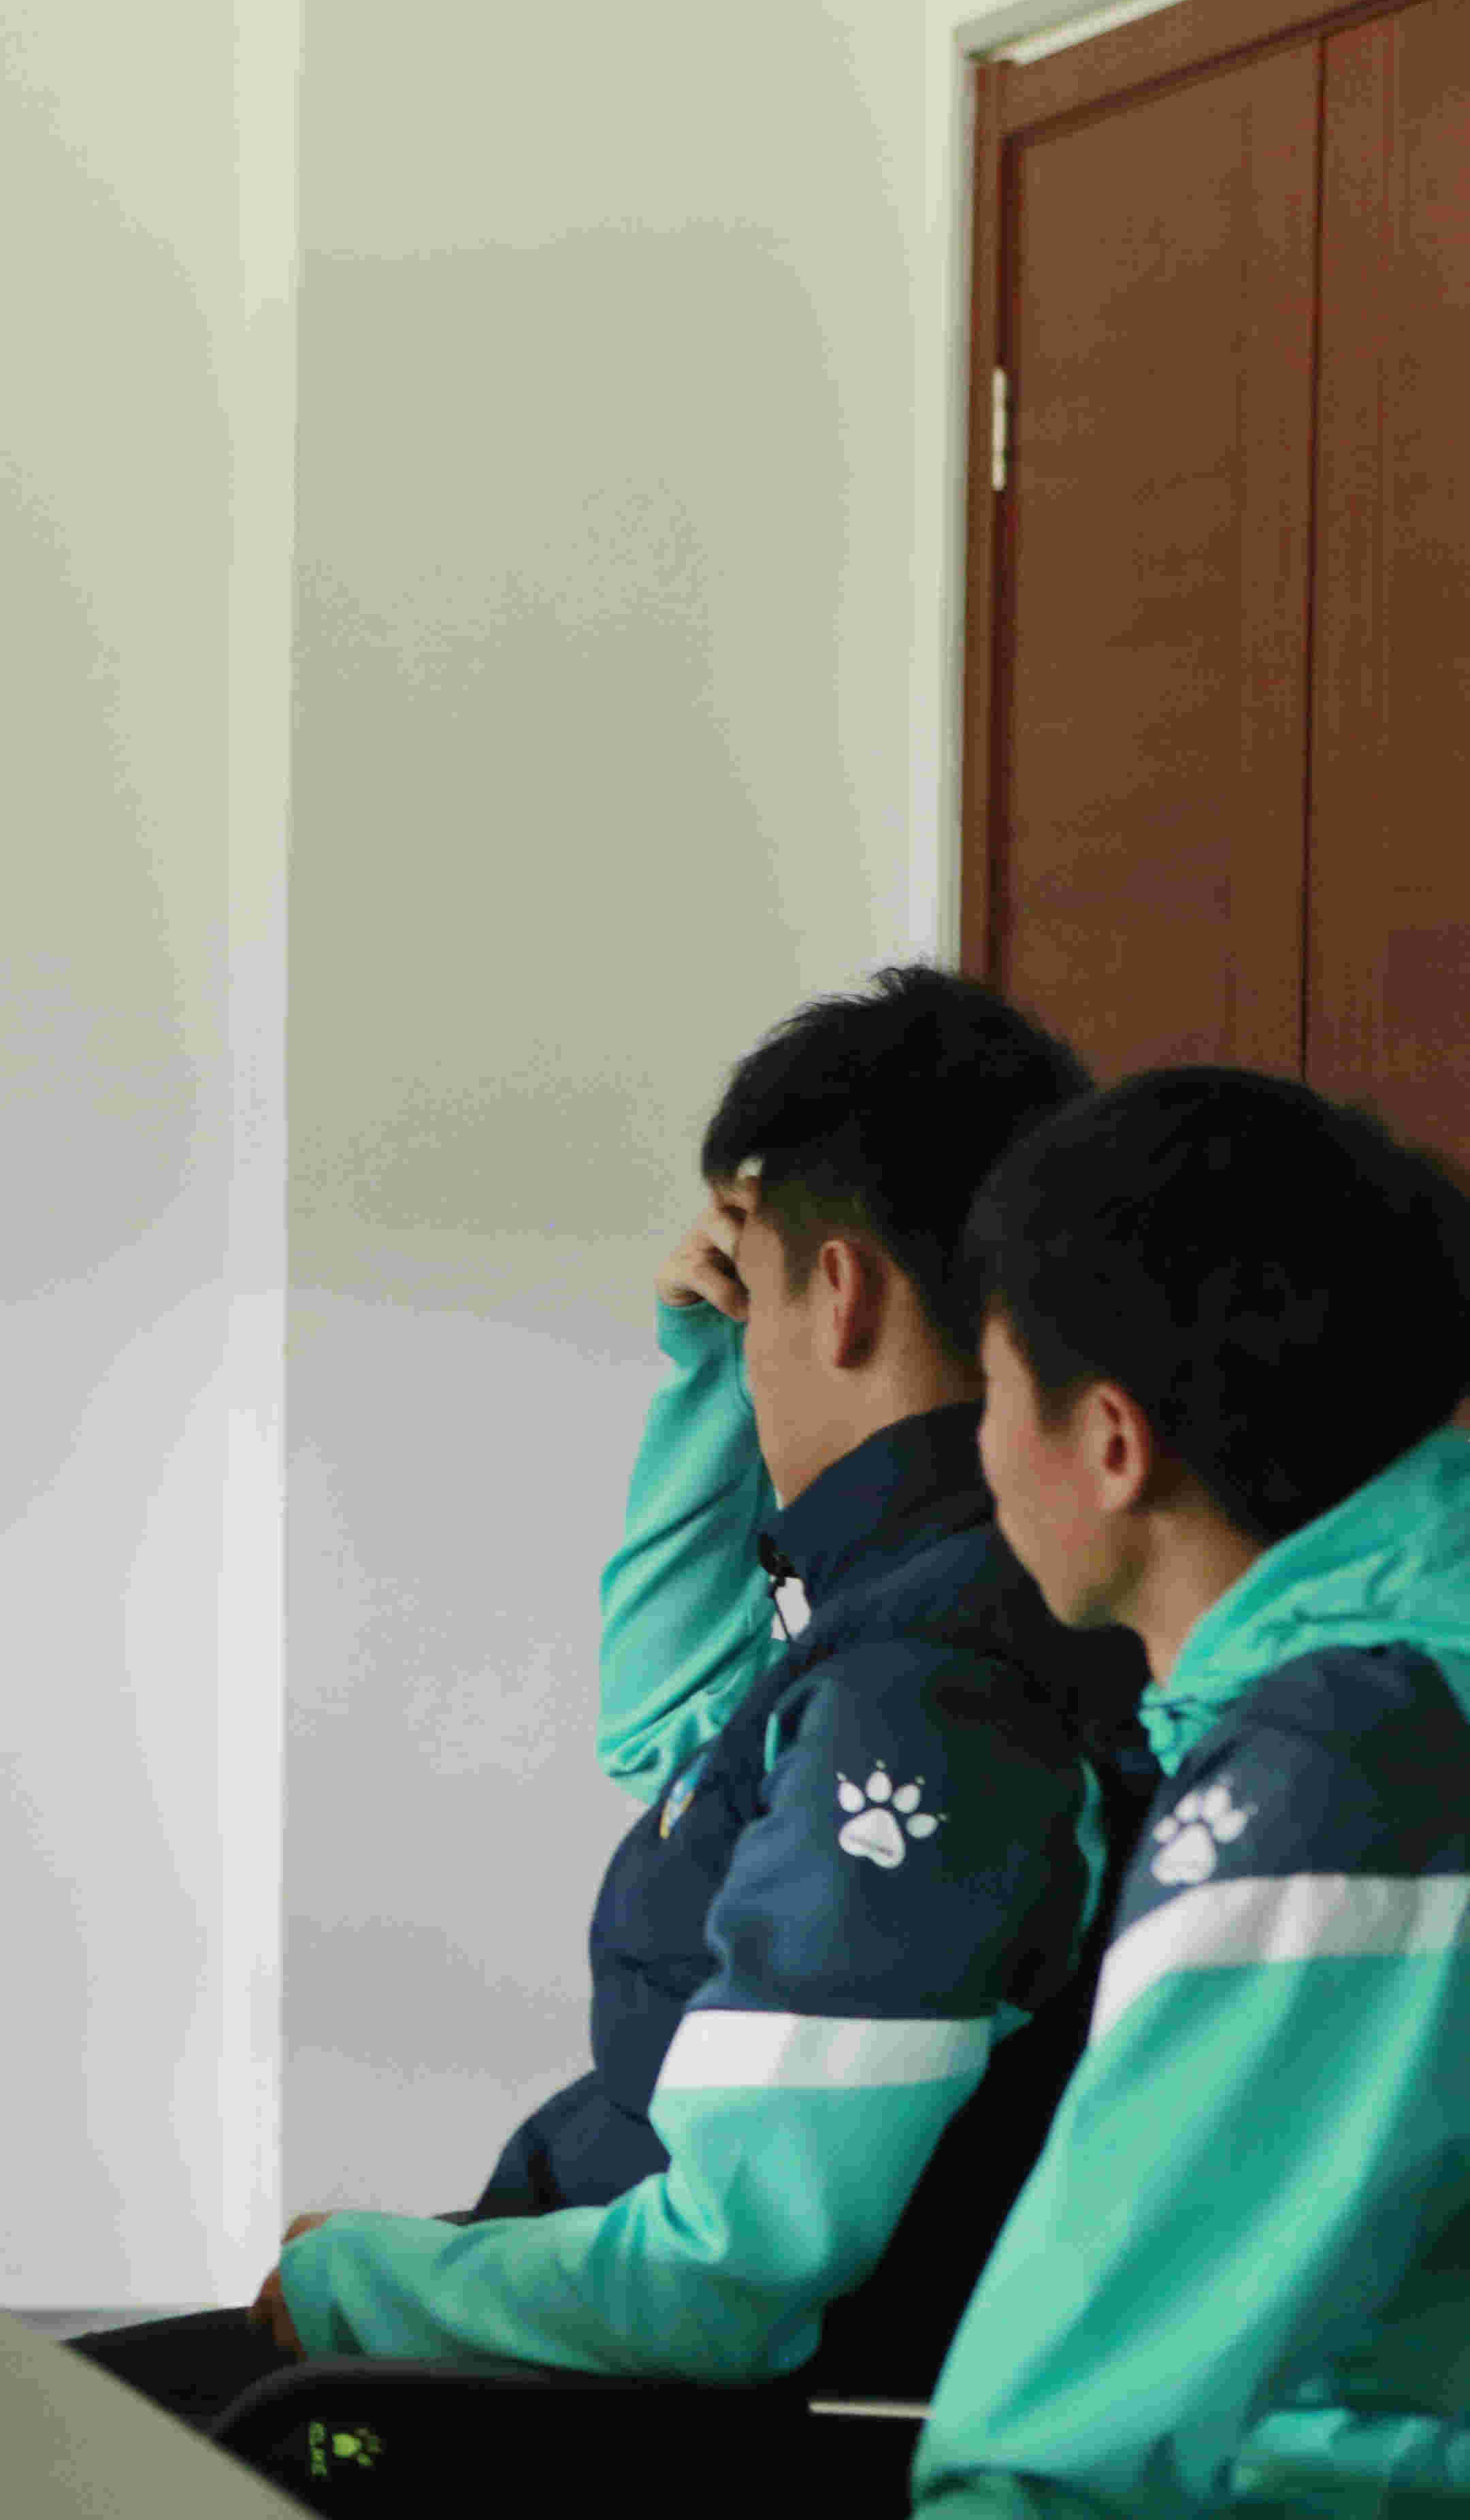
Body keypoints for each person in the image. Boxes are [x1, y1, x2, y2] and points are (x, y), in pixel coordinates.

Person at [76, 966, 1152, 2429]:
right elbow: (670, 1732)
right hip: (612, 2319)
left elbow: (731, 2278)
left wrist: (370, 2281)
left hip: (681, 2411)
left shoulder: (926, 1680)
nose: (741, 1333)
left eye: (751, 1297)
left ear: (840, 1295)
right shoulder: (939, 1593)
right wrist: (710, 1366)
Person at [913, 1067, 1470, 2515]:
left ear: (1110, 1443)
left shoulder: (1348, 1769)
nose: (981, 1452)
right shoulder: (1400, 1678)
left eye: (994, 1392)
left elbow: (1066, 2454)